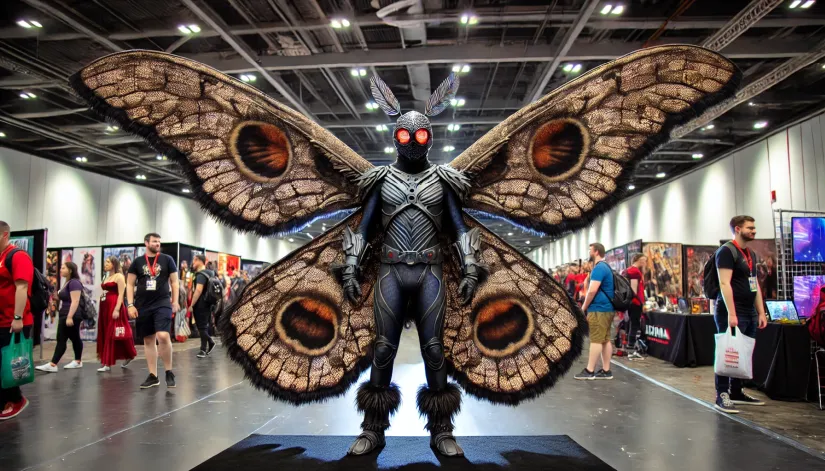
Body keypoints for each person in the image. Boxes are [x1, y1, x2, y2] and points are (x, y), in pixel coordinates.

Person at [714, 215, 768, 414]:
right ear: (737, 229)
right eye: (750, 228)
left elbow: (755, 285)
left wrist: (761, 312)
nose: (754, 231)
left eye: (754, 227)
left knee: (742, 352)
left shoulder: (750, 254)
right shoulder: (727, 252)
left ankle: (736, 391)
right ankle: (722, 393)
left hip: (749, 312)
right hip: (731, 311)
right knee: (727, 351)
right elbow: (724, 283)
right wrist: (731, 313)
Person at [127, 233, 179, 389]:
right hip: (142, 305)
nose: (157, 244)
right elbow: (130, 284)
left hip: (162, 302)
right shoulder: (137, 262)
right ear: (146, 243)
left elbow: (175, 282)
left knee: (163, 335)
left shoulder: (167, 259)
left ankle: (169, 371)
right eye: (154, 241)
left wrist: (175, 301)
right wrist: (130, 304)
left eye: (159, 242)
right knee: (148, 340)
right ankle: (153, 375)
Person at [0, 221, 34, 420]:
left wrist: (18, 317)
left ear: (4, 235)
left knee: (10, 362)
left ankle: (16, 399)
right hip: (2, 319)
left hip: (13, 321)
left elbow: (21, 288)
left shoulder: (17, 256)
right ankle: (5, 400)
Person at [575, 243, 615, 380]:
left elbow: (592, 291)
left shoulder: (599, 268)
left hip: (599, 309)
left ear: (596, 252)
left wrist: (583, 308)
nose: (589, 252)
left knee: (596, 340)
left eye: (590, 250)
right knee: (605, 339)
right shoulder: (605, 267)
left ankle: (590, 370)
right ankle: (606, 370)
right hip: (606, 308)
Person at [36, 262, 84, 373]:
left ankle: (53, 364)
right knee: (74, 338)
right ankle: (77, 361)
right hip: (65, 314)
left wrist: (69, 317)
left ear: (70, 270)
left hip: (70, 315)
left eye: (63, 268)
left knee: (62, 338)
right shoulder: (67, 283)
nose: (60, 270)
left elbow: (75, 301)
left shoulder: (74, 283)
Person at [96, 256, 136, 372]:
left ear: (114, 263)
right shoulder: (107, 277)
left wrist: (117, 309)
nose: (105, 264)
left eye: (108, 262)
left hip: (114, 305)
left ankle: (107, 363)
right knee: (108, 331)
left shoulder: (119, 276)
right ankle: (128, 355)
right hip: (105, 306)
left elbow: (121, 294)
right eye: (105, 262)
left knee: (114, 332)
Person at [188, 255, 216, 358]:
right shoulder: (211, 272)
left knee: (202, 328)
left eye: (194, 261)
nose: (193, 263)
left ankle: (208, 345)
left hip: (201, 304)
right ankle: (204, 348)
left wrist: (191, 305)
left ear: (199, 261)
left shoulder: (201, 274)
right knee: (203, 327)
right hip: (209, 303)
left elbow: (198, 290)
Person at [626, 253, 647, 360]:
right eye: (643, 260)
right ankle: (631, 349)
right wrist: (639, 301)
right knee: (634, 324)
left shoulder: (630, 270)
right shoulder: (634, 271)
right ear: (637, 260)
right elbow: (634, 289)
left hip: (633, 302)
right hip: (635, 302)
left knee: (632, 324)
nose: (644, 262)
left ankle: (630, 347)